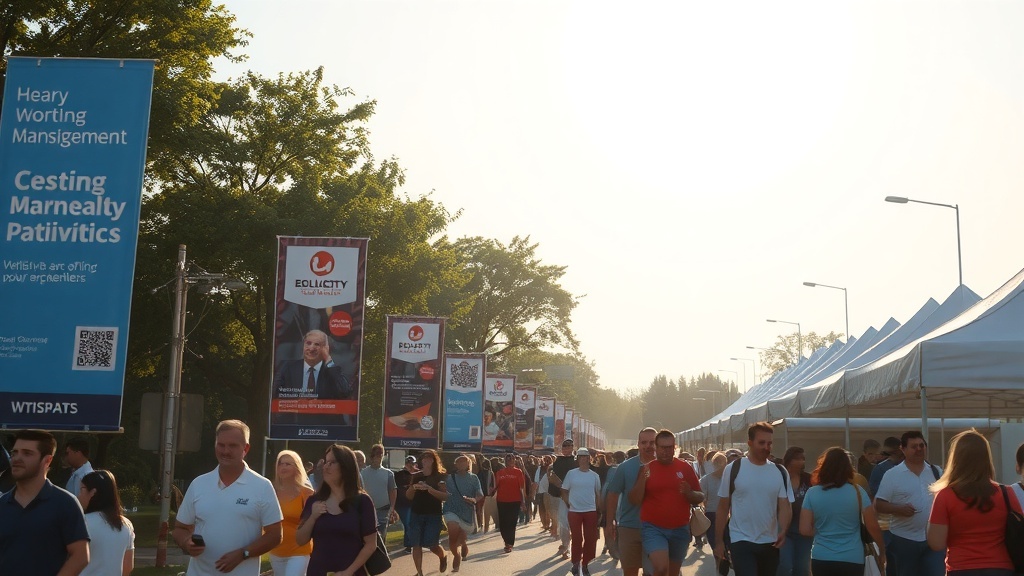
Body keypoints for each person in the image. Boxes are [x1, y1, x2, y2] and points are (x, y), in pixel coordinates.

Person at [173, 420, 284, 576]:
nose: (225, 451)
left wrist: (243, 554)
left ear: (246, 448)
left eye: (232, 446)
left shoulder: (262, 486)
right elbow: (180, 528)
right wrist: (187, 543)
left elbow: (275, 535)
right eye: (221, 445)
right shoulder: (199, 484)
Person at [927, 429, 1022, 576]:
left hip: (961, 568)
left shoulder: (945, 496)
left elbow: (936, 543)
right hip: (1001, 568)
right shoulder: (1006, 493)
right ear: (986, 458)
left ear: (956, 459)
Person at [0, 429, 89, 576]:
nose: (16, 458)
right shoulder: (2, 504)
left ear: (47, 460)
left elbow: (80, 557)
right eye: (14, 452)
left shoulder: (65, 504)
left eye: (27, 453)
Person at [714, 421, 795, 576]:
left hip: (770, 541)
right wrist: (719, 541)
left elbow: (785, 506)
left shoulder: (779, 471)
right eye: (762, 443)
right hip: (740, 540)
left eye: (770, 443)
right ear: (749, 443)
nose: (766, 447)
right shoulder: (733, 469)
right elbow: (723, 507)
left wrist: (783, 530)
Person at [628, 429, 703, 576]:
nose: (666, 451)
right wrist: (643, 479)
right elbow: (634, 499)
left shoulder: (684, 467)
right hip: (653, 528)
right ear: (656, 447)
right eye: (662, 447)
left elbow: (700, 496)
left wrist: (689, 493)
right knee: (661, 568)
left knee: (672, 573)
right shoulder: (647, 468)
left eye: (669, 447)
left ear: (675, 447)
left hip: (680, 528)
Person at [800, 447, 885, 576]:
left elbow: (804, 529)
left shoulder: (812, 493)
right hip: (852, 557)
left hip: (821, 557)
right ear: (848, 468)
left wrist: (823, 531)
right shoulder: (858, 492)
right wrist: (882, 551)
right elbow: (872, 526)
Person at [296, 444, 378, 576]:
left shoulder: (362, 501)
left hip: (352, 573)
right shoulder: (314, 501)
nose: (326, 466)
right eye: (326, 462)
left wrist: (348, 572)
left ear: (346, 466)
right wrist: (313, 517)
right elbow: (300, 540)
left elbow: (371, 545)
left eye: (332, 462)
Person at [873, 430, 943, 576]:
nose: (919, 449)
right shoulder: (892, 475)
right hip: (903, 540)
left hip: (932, 540)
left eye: (921, 445)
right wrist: (898, 509)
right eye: (914, 446)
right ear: (903, 449)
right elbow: (879, 504)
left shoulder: (936, 472)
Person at [605, 427, 658, 576]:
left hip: (657, 530)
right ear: (638, 444)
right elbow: (612, 494)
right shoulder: (625, 467)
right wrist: (610, 522)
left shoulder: (666, 466)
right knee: (630, 571)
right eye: (644, 442)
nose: (648, 446)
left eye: (652, 442)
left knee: (654, 571)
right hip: (629, 528)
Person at [79, 469, 135, 576]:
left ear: (93, 492)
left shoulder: (81, 522)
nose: (78, 495)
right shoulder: (126, 525)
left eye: (81, 489)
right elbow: (127, 567)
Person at [269, 450, 314, 576]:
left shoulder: (306, 493)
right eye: (280, 463)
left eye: (288, 464)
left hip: (299, 550)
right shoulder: (270, 490)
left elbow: (312, 521)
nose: (283, 467)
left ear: (297, 467)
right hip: (276, 550)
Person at [273, 329, 352, 399]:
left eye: (317, 344)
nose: (311, 349)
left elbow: (345, 392)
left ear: (325, 349)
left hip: (322, 414)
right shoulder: (287, 367)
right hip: (295, 414)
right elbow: (274, 393)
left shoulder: (331, 371)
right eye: (308, 343)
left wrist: (328, 358)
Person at [405, 449, 448, 576]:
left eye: (429, 457)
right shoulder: (416, 475)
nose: (426, 459)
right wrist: (413, 487)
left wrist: (430, 489)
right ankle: (419, 572)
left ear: (434, 460)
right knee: (416, 544)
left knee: (431, 544)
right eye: (424, 457)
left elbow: (445, 496)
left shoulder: (441, 476)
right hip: (416, 513)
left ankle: (443, 556)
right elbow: (408, 496)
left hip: (433, 514)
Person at [563, 447, 604, 576]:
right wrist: (569, 503)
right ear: (578, 459)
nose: (582, 459)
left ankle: (586, 564)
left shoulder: (594, 476)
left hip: (590, 511)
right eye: (580, 457)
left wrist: (599, 510)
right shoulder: (571, 473)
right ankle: (575, 564)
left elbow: (597, 494)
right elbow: (564, 490)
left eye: (585, 457)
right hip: (574, 511)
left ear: (588, 458)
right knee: (576, 538)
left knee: (590, 539)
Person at [868, 435, 903, 576]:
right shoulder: (881, 469)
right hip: (887, 524)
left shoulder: (912, 467)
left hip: (901, 524)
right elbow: (877, 499)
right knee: (893, 561)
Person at [443, 454, 483, 572]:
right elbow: (443, 492)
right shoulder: (449, 478)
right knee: (452, 536)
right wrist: (441, 488)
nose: (461, 464)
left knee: (460, 538)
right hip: (450, 510)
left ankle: (463, 544)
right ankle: (456, 555)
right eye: (458, 462)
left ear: (468, 464)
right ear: (455, 464)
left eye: (463, 462)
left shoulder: (474, 478)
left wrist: (473, 500)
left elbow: (480, 495)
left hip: (466, 513)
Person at [777, 446, 812, 576]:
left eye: (803, 459)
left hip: (804, 532)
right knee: (785, 565)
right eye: (797, 459)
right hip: (783, 531)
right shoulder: (779, 478)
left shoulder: (809, 479)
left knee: (802, 568)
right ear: (789, 460)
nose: (801, 462)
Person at [547, 438, 578, 559]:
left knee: (575, 523)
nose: (566, 448)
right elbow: (552, 477)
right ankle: (566, 546)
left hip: (576, 496)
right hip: (562, 496)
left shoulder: (577, 461)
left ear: (572, 447)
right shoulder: (558, 461)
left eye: (569, 446)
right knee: (563, 521)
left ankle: (575, 547)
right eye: (564, 446)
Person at [494, 452, 528, 553]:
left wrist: (523, 502)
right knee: (503, 523)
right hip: (501, 500)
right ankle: (506, 540)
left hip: (515, 500)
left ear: (514, 461)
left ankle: (509, 544)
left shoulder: (518, 472)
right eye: (508, 459)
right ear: (505, 461)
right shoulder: (500, 472)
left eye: (512, 459)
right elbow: (495, 486)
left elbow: (521, 488)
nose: (510, 461)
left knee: (512, 522)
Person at [360, 444, 397, 536]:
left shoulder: (388, 474)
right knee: (367, 535)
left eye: (380, 455)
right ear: (371, 457)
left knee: (381, 536)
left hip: (383, 510)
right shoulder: (363, 473)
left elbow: (392, 490)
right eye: (375, 455)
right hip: (367, 509)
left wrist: (392, 507)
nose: (377, 458)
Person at [700, 451, 727, 553]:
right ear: (714, 464)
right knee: (715, 546)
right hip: (711, 515)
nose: (721, 465)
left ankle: (724, 562)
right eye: (718, 462)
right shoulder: (706, 480)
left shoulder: (729, 479)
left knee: (726, 544)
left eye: (723, 462)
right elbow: (702, 498)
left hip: (727, 517)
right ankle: (720, 564)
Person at [394, 455, 419, 552]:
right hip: (402, 503)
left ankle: (410, 544)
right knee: (407, 523)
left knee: (411, 524)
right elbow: (396, 487)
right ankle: (409, 544)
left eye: (412, 463)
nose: (410, 465)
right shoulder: (399, 474)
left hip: (414, 503)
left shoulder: (418, 474)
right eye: (408, 463)